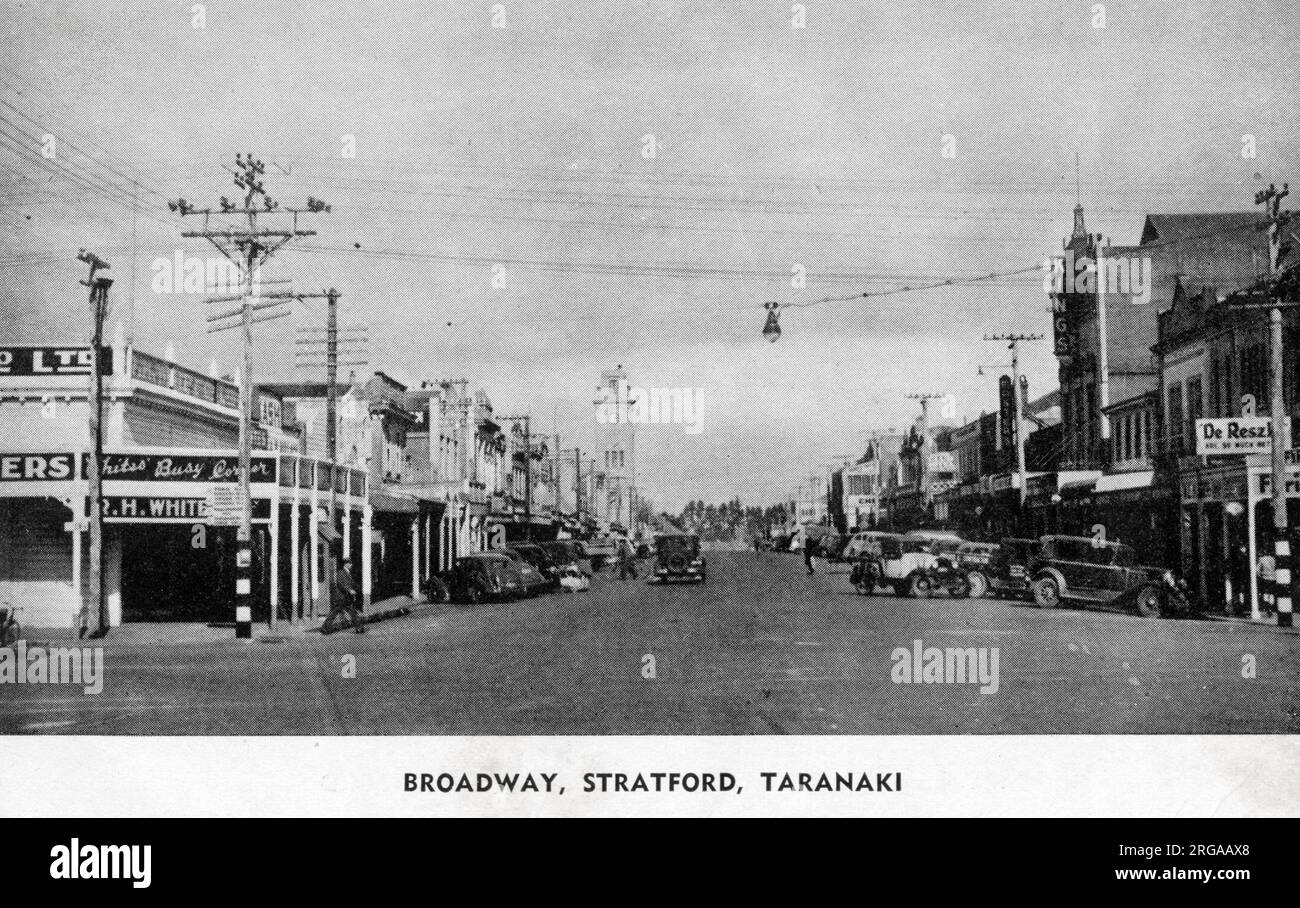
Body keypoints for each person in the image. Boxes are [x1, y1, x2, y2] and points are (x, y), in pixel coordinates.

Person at [327, 557, 365, 634]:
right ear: (346, 564)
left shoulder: (347, 572)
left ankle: (359, 628)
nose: (351, 565)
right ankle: (359, 628)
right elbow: (341, 584)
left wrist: (358, 587)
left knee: (351, 612)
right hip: (341, 596)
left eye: (351, 563)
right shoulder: (341, 572)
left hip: (345, 597)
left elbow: (351, 583)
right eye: (350, 563)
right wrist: (349, 590)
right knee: (337, 612)